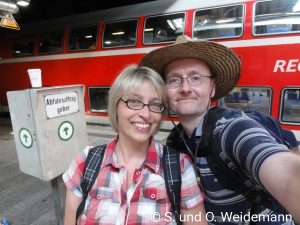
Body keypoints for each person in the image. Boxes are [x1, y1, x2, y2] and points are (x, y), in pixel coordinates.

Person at [139, 35, 300, 225]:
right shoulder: (176, 140)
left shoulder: (232, 128)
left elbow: (287, 174)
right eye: (174, 80)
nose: (185, 88)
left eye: (196, 78)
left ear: (212, 88)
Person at [63, 64, 208, 225]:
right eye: (134, 101)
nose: (146, 114)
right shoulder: (85, 162)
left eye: (155, 105)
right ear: (116, 106)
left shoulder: (180, 168)